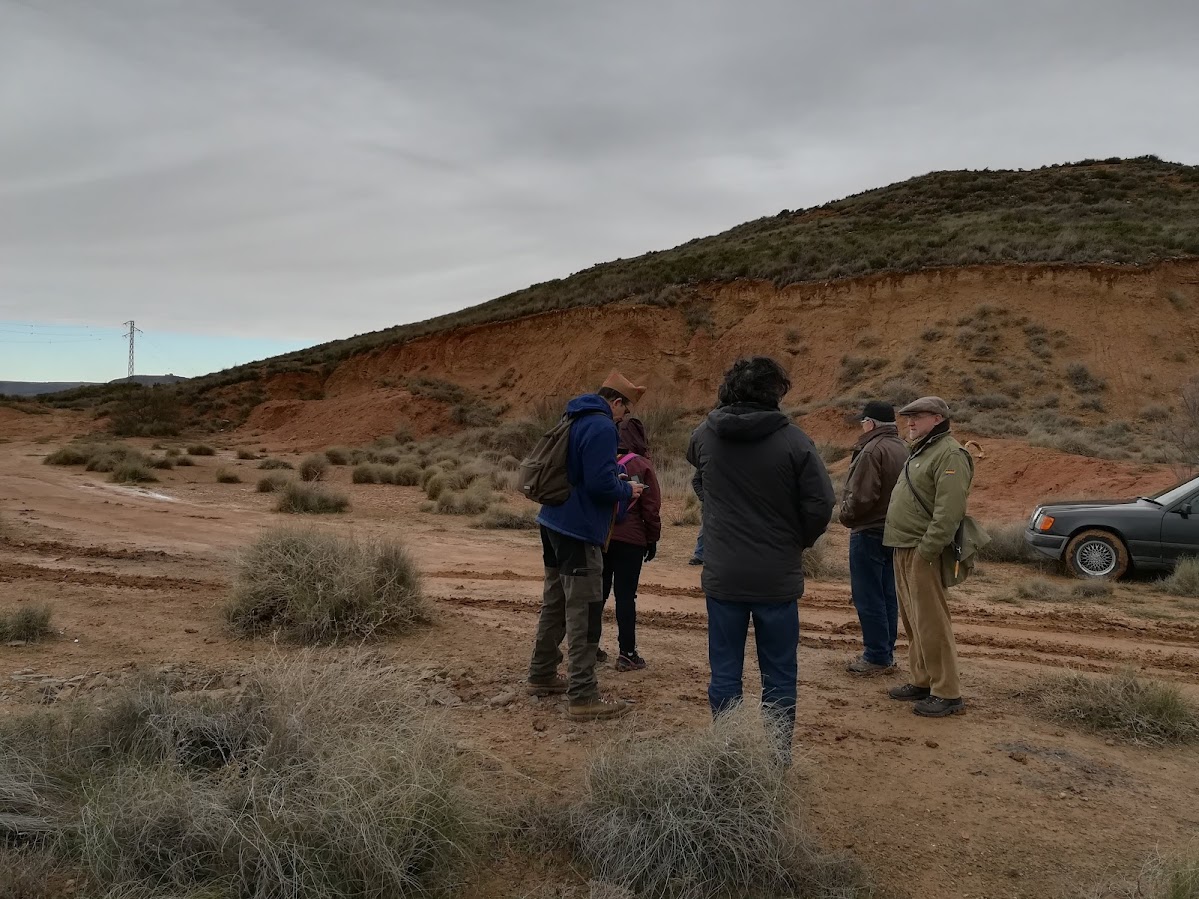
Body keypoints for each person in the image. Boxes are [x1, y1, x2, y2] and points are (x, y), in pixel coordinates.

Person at [686, 356, 835, 759]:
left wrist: (718, 515)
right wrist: (794, 541)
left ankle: (728, 754)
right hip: (776, 576)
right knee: (780, 673)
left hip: (724, 575)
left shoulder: (705, 434)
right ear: (776, 393)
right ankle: (776, 758)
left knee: (725, 672)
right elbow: (821, 504)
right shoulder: (796, 441)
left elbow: (699, 477)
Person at [527, 371, 646, 720]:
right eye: (625, 411)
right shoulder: (601, 425)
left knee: (555, 602)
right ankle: (583, 695)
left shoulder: (574, 415)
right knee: (586, 609)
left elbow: (584, 473)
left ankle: (542, 673)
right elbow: (598, 486)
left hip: (553, 520)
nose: (624, 420)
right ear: (617, 402)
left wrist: (614, 480)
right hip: (578, 530)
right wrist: (627, 490)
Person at [883, 396, 974, 718]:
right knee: (913, 619)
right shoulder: (922, 451)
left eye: (917, 417)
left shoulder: (950, 453)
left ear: (937, 419)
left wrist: (927, 549)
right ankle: (922, 680)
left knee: (932, 622)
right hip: (903, 545)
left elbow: (949, 512)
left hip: (923, 550)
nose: (909, 423)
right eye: (907, 417)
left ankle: (947, 692)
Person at [839, 400, 908, 676]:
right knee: (887, 595)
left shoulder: (872, 449)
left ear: (871, 423)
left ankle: (877, 656)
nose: (861, 426)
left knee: (868, 596)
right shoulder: (902, 447)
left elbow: (863, 497)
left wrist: (846, 517)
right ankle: (885, 652)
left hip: (868, 530)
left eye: (863, 422)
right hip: (894, 531)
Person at [597, 415, 662, 671]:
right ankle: (627, 653)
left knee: (597, 594)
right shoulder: (642, 465)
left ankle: (589, 647)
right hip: (632, 540)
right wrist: (652, 538)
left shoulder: (603, 459)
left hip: (602, 537)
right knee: (625, 597)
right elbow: (651, 508)